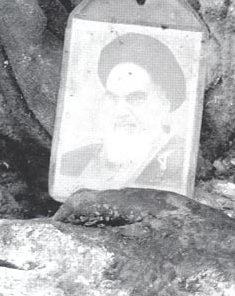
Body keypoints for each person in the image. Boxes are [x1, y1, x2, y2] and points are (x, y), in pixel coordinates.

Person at [58, 33, 188, 192]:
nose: (120, 111)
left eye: (135, 98)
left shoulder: (181, 166)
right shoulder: (72, 162)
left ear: (165, 103)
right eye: (112, 98)